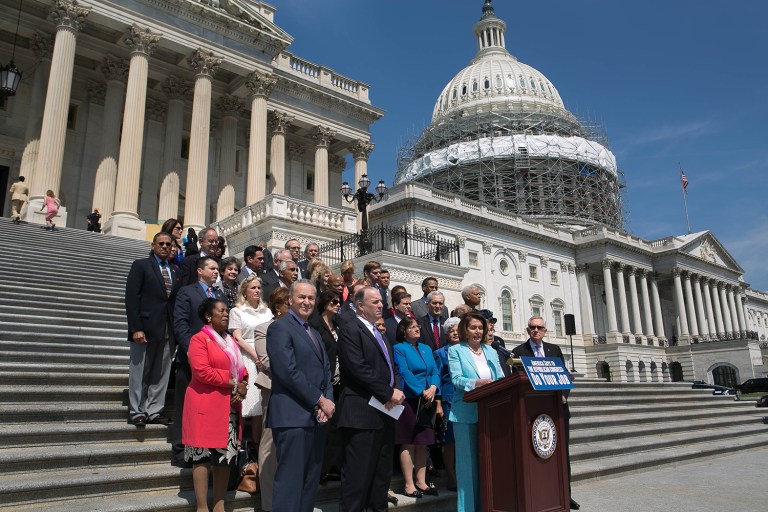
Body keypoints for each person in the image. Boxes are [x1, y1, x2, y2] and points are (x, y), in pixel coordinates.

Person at [266, 280, 335, 512]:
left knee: (310, 481)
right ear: (290, 300)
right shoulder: (280, 328)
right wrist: (320, 399)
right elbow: (287, 371)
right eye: (301, 297)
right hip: (292, 417)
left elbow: (326, 370)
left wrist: (328, 401)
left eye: (311, 298)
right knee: (290, 482)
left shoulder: (313, 331)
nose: (306, 302)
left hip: (316, 418)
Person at [337, 286, 405, 512]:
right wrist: (387, 393)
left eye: (381, 302)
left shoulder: (380, 333)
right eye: (375, 302)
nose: (381, 305)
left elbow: (392, 367)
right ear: (360, 306)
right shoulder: (350, 330)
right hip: (361, 414)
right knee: (357, 477)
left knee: (381, 476)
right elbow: (357, 367)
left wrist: (396, 390)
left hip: (385, 413)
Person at [183, 299, 248, 512]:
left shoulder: (231, 341)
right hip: (204, 405)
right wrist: (234, 383)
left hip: (229, 407)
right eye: (221, 311)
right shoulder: (199, 339)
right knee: (201, 457)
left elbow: (242, 370)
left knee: (224, 458)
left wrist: (243, 385)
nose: (226, 314)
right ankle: (202, 507)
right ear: (208, 316)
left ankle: (219, 505)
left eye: (227, 311)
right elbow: (202, 371)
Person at [512, 316, 579, 511]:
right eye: (532, 327)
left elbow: (564, 376)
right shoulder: (518, 352)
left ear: (544, 331)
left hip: (558, 410)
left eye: (539, 327)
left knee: (562, 454)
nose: (536, 330)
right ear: (527, 330)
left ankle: (565, 494)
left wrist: (563, 396)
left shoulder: (554, 350)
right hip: (533, 412)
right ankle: (540, 494)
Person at [171, 257, 226, 466]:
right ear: (200, 271)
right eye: (212, 268)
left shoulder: (219, 295)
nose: (216, 271)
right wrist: (193, 351)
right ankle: (180, 450)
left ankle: (205, 449)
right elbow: (181, 324)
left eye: (217, 268)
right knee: (184, 406)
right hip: (190, 360)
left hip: (214, 363)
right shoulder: (187, 292)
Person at [448, 312, 503, 512]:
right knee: (467, 466)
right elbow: (456, 379)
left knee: (487, 464)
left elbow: (500, 376)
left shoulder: (491, 351)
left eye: (480, 328)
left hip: (489, 413)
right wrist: (476, 383)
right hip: (465, 413)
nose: (477, 331)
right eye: (473, 327)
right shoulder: (456, 350)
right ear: (465, 329)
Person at [124, 232, 181, 426]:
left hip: (167, 328)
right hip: (145, 328)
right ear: (153, 245)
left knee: (161, 372)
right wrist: (136, 328)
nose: (165, 247)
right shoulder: (141, 265)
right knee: (141, 371)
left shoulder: (174, 270)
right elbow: (132, 298)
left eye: (168, 244)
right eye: (161, 243)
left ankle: (154, 410)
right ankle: (137, 411)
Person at [393, 317, 440, 498]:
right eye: (412, 327)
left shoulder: (426, 348)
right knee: (409, 441)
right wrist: (421, 391)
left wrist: (433, 388)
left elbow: (434, 371)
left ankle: (422, 482)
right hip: (411, 399)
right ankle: (409, 484)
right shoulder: (400, 348)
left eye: (417, 326)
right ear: (403, 331)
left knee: (423, 442)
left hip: (428, 399)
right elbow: (404, 372)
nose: (416, 328)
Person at [254, 287, 291, 512]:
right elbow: (266, 360)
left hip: (299, 394)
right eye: (289, 303)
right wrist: (295, 374)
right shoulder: (263, 328)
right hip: (274, 389)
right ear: (278, 307)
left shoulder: (302, 328)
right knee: (269, 445)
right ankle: (268, 504)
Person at [229, 274, 273, 450]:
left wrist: (264, 357)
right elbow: (237, 338)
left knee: (260, 405)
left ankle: (257, 444)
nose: (257, 291)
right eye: (253, 288)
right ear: (244, 291)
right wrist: (256, 356)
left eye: (259, 288)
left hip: (266, 355)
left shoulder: (267, 311)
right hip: (247, 357)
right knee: (246, 402)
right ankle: (238, 443)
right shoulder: (237, 311)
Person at [309, 289, 343, 483]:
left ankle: (333, 466)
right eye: (334, 302)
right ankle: (320, 469)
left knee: (335, 426)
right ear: (324, 303)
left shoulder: (338, 324)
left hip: (339, 382)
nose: (337, 305)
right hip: (322, 381)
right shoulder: (315, 324)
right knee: (322, 426)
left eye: (339, 302)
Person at [433, 317, 461, 492]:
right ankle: (451, 477)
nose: (455, 333)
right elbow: (437, 379)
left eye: (458, 330)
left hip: (466, 398)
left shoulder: (467, 350)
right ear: (446, 334)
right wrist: (438, 404)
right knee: (449, 440)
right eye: (452, 331)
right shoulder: (440, 353)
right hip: (448, 400)